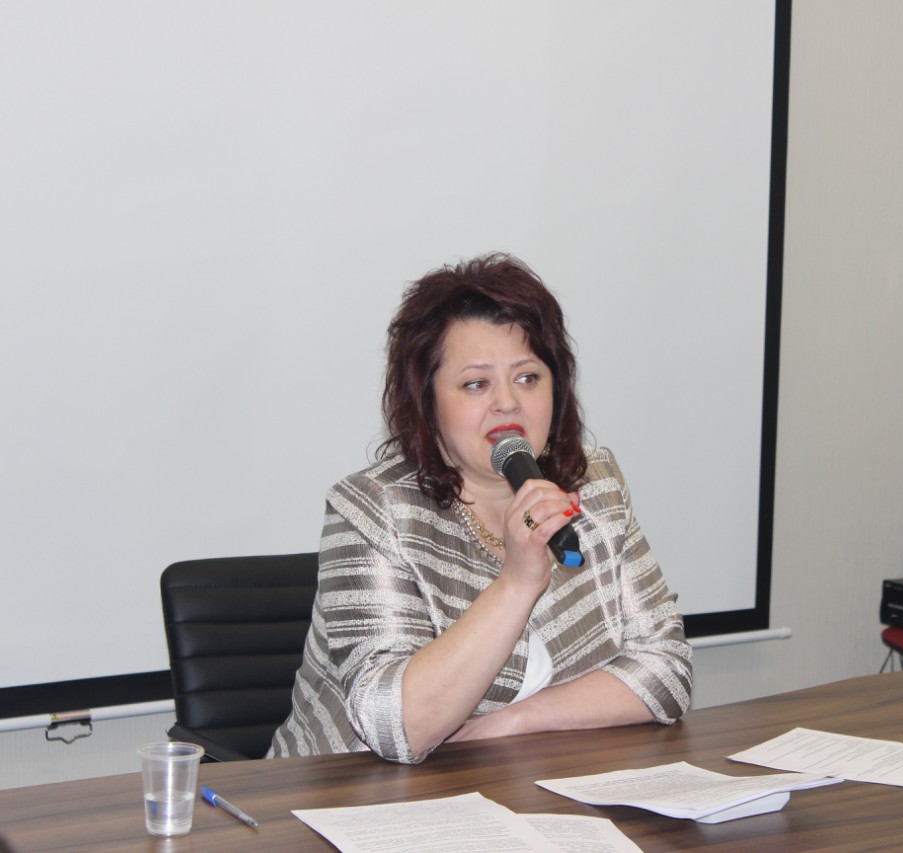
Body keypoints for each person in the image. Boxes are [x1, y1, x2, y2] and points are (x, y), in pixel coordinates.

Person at [268, 253, 692, 764]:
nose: (507, 403)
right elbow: (392, 727)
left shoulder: (594, 485)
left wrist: (517, 721)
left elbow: (668, 668)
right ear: (427, 401)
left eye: (528, 378)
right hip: (349, 796)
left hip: (516, 782)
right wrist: (517, 583)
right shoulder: (373, 510)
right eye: (476, 384)